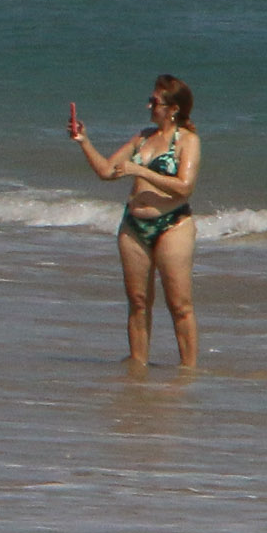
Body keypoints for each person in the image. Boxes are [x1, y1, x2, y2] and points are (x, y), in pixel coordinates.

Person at [69, 76, 199, 367]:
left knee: (179, 305)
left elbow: (184, 186)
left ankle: (188, 370)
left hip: (172, 224)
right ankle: (138, 367)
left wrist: (140, 172)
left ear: (173, 108)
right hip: (134, 225)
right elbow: (106, 171)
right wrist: (84, 141)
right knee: (138, 302)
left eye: (155, 102)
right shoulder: (142, 137)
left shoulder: (187, 141)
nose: (149, 105)